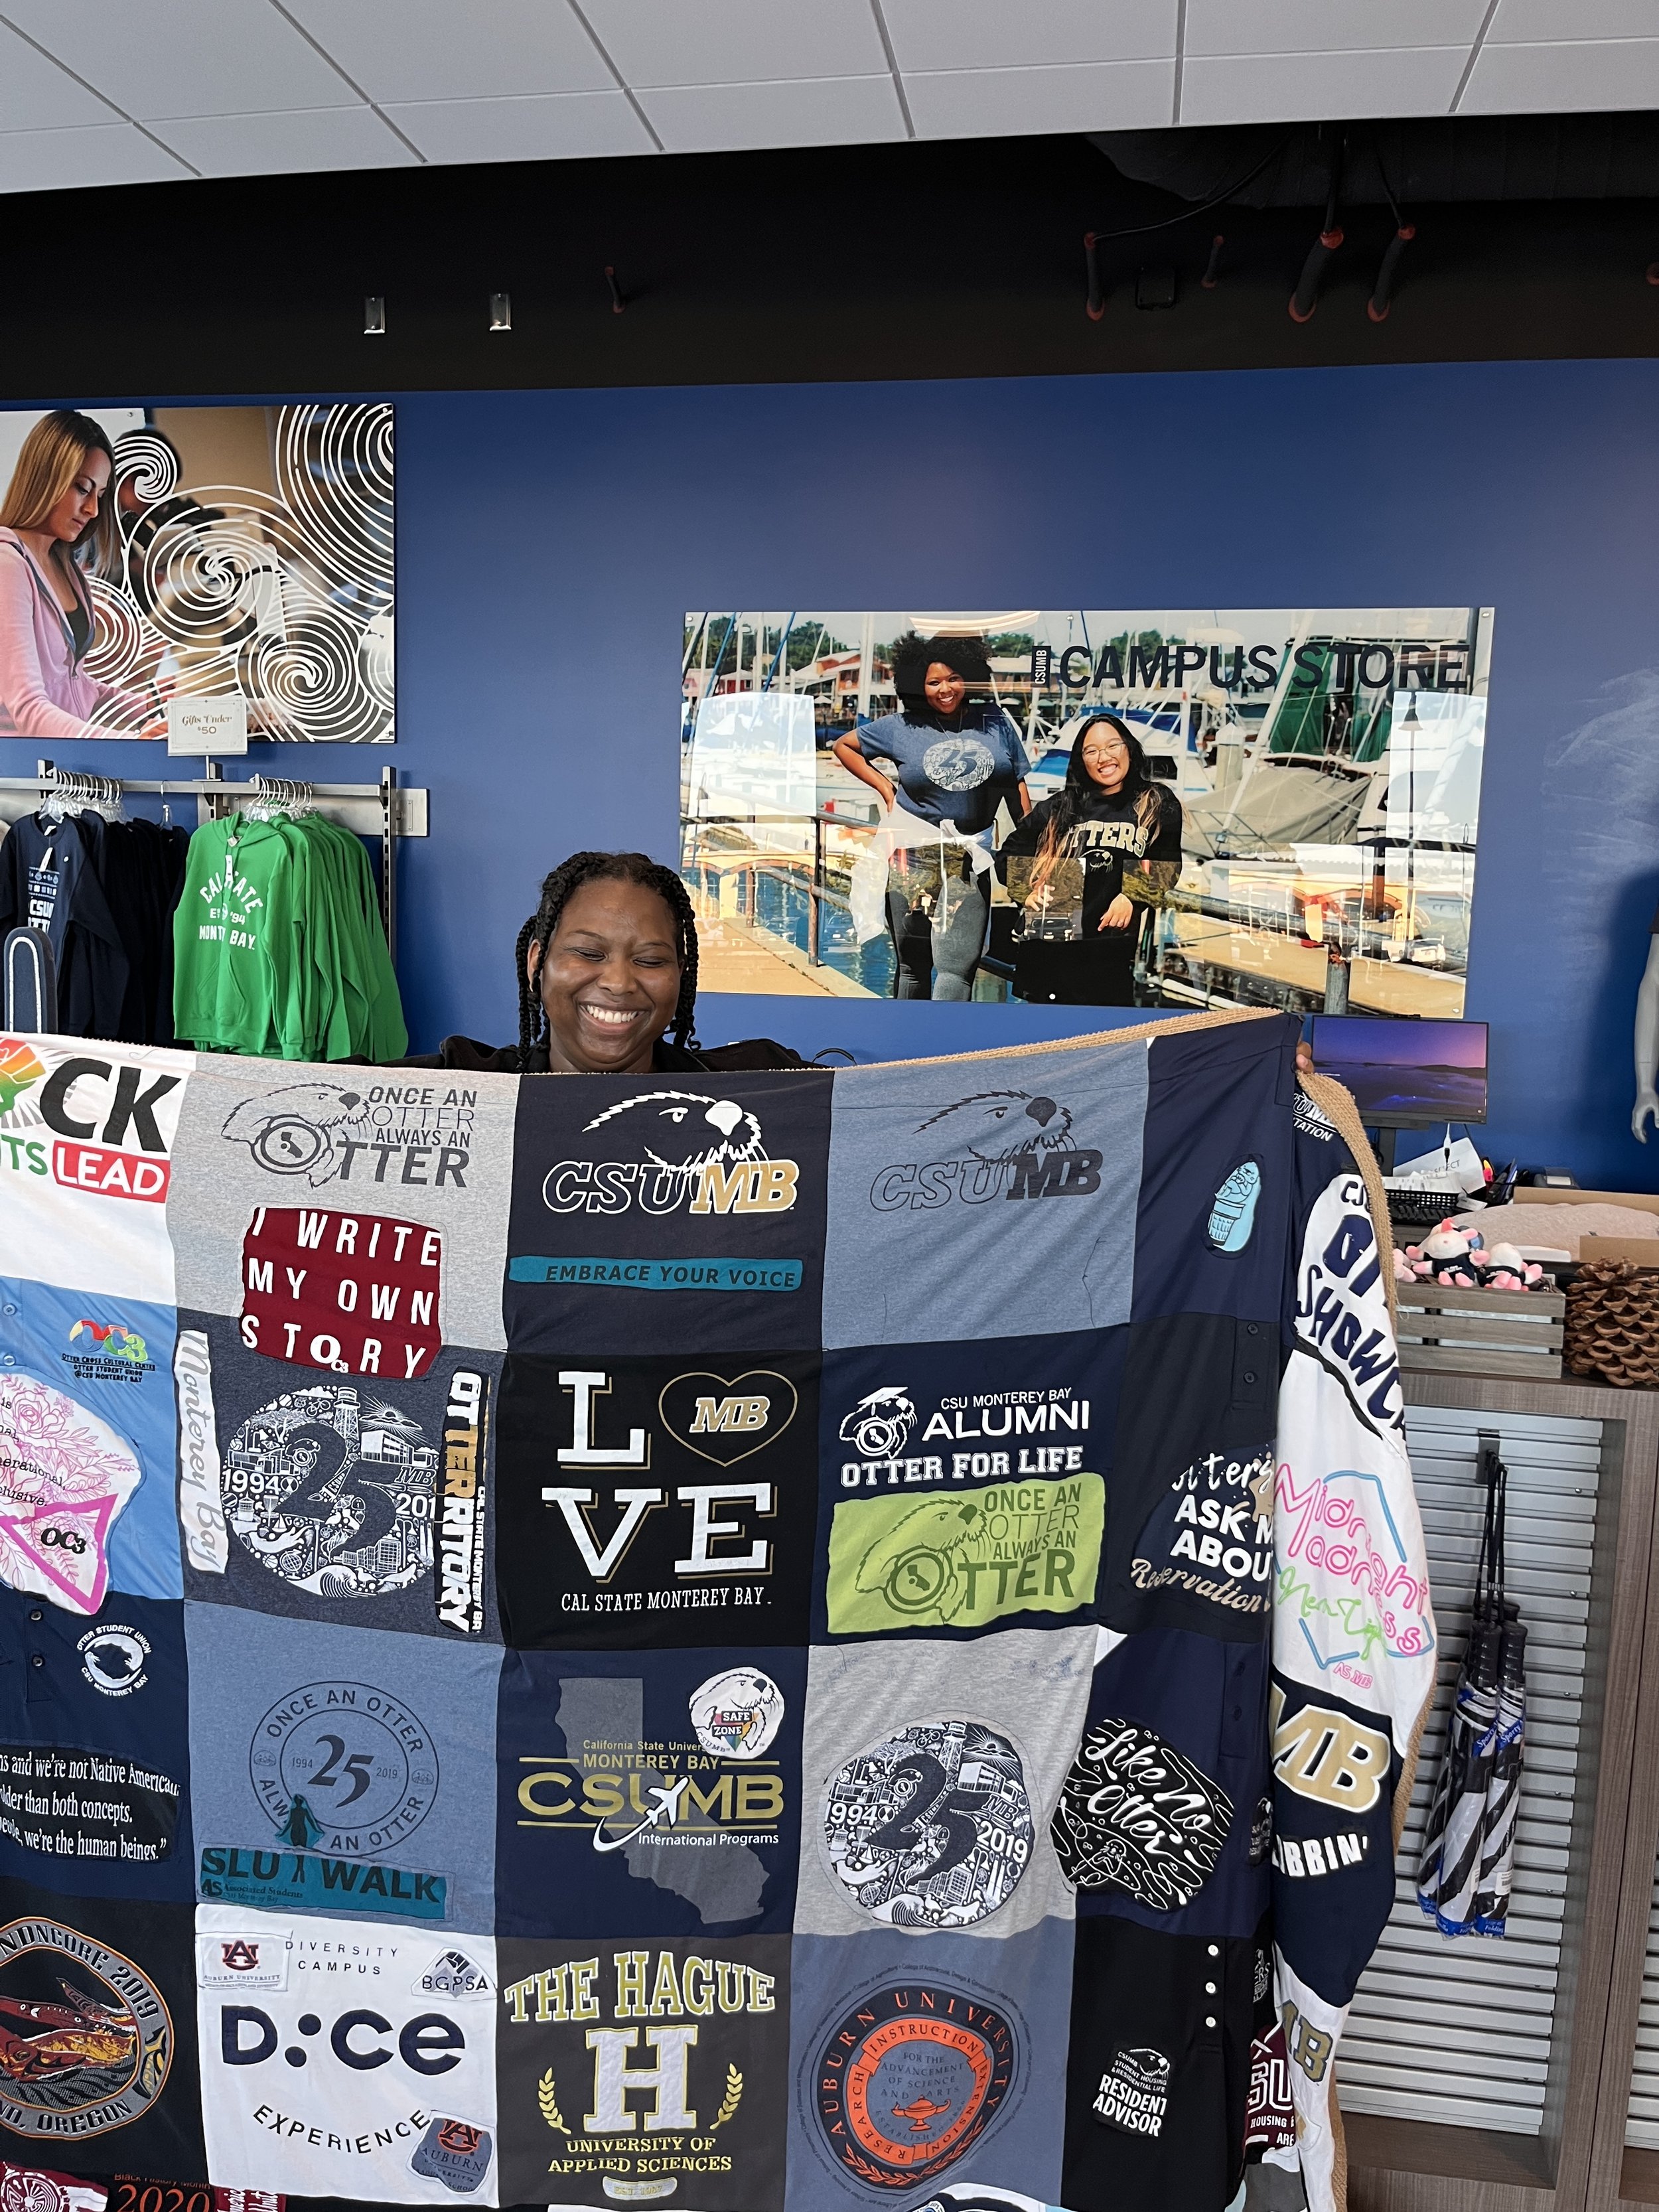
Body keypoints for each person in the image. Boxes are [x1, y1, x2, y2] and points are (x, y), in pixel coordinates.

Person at [406, 849, 806, 1074]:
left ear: (680, 977)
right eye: (588, 954)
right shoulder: (458, 1088)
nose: (619, 982)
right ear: (537, 964)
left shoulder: (756, 1085)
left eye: (650, 960)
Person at [833, 630, 1031, 1000]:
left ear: (968, 677)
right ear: (916, 685)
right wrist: (885, 788)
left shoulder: (996, 721)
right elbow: (844, 746)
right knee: (913, 965)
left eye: (954, 678)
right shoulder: (901, 727)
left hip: (969, 858)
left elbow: (1016, 783)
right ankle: (910, 1043)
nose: (945, 689)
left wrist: (1030, 840)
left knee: (957, 968)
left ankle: (946, 1050)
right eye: (933, 682)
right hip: (914, 856)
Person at [996, 711, 1183, 1007]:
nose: (1103, 757)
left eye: (1113, 746)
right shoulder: (1060, 807)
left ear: (1129, 749)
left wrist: (1132, 897)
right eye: (1091, 751)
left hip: (1109, 958)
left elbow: (1166, 864)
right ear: (1081, 760)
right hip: (1046, 956)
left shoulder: (1155, 802)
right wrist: (1024, 890)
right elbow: (1010, 852)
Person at [0, 410, 156, 740]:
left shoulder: (66, 567)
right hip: (25, 779)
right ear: (45, 477)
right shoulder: (7, 565)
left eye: (99, 495)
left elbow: (74, 687)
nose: (93, 510)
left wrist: (153, 706)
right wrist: (128, 744)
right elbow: (28, 709)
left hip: (67, 769)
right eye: (83, 489)